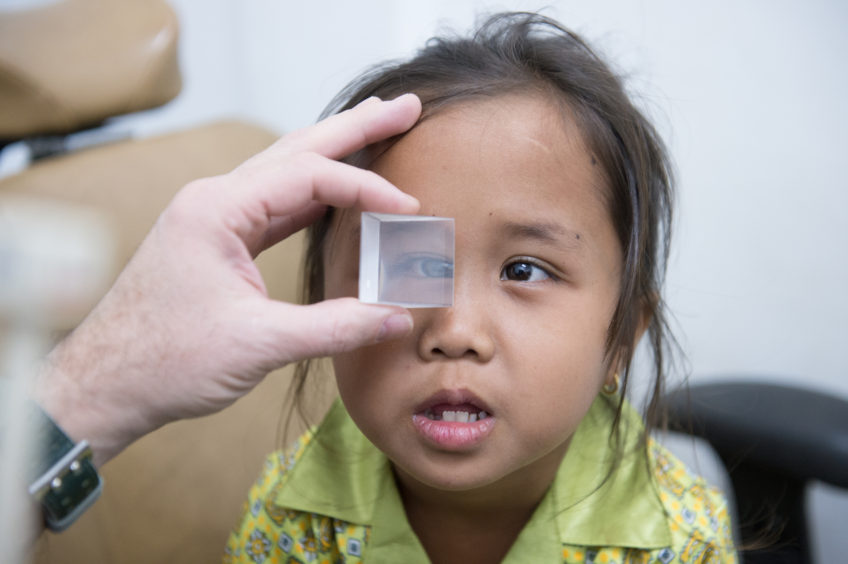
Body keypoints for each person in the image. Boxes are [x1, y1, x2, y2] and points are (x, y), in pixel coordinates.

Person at [223, 12, 737, 564]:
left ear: (620, 341)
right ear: (325, 306)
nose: (456, 332)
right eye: (412, 263)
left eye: (524, 271)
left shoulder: (679, 540)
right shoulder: (290, 519)